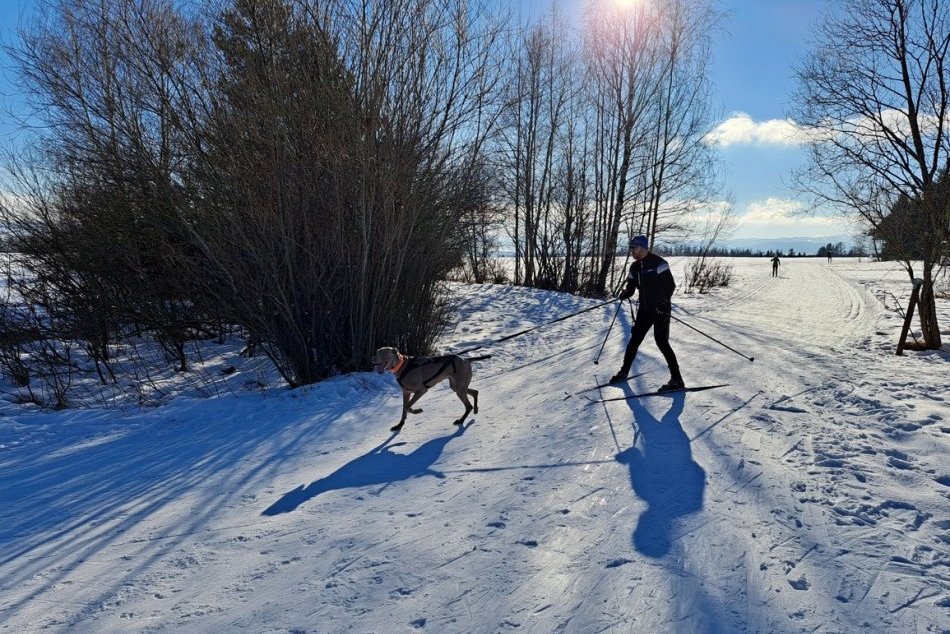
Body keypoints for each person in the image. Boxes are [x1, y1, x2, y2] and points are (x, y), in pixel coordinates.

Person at [610, 235, 684, 391]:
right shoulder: (634, 268)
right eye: (631, 248)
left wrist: (663, 305)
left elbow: (670, 286)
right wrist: (625, 293)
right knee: (634, 340)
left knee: (661, 342)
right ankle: (624, 372)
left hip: (660, 309)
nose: (632, 251)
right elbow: (631, 289)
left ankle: (677, 379)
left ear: (643, 248)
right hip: (644, 309)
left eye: (634, 248)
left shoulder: (659, 263)